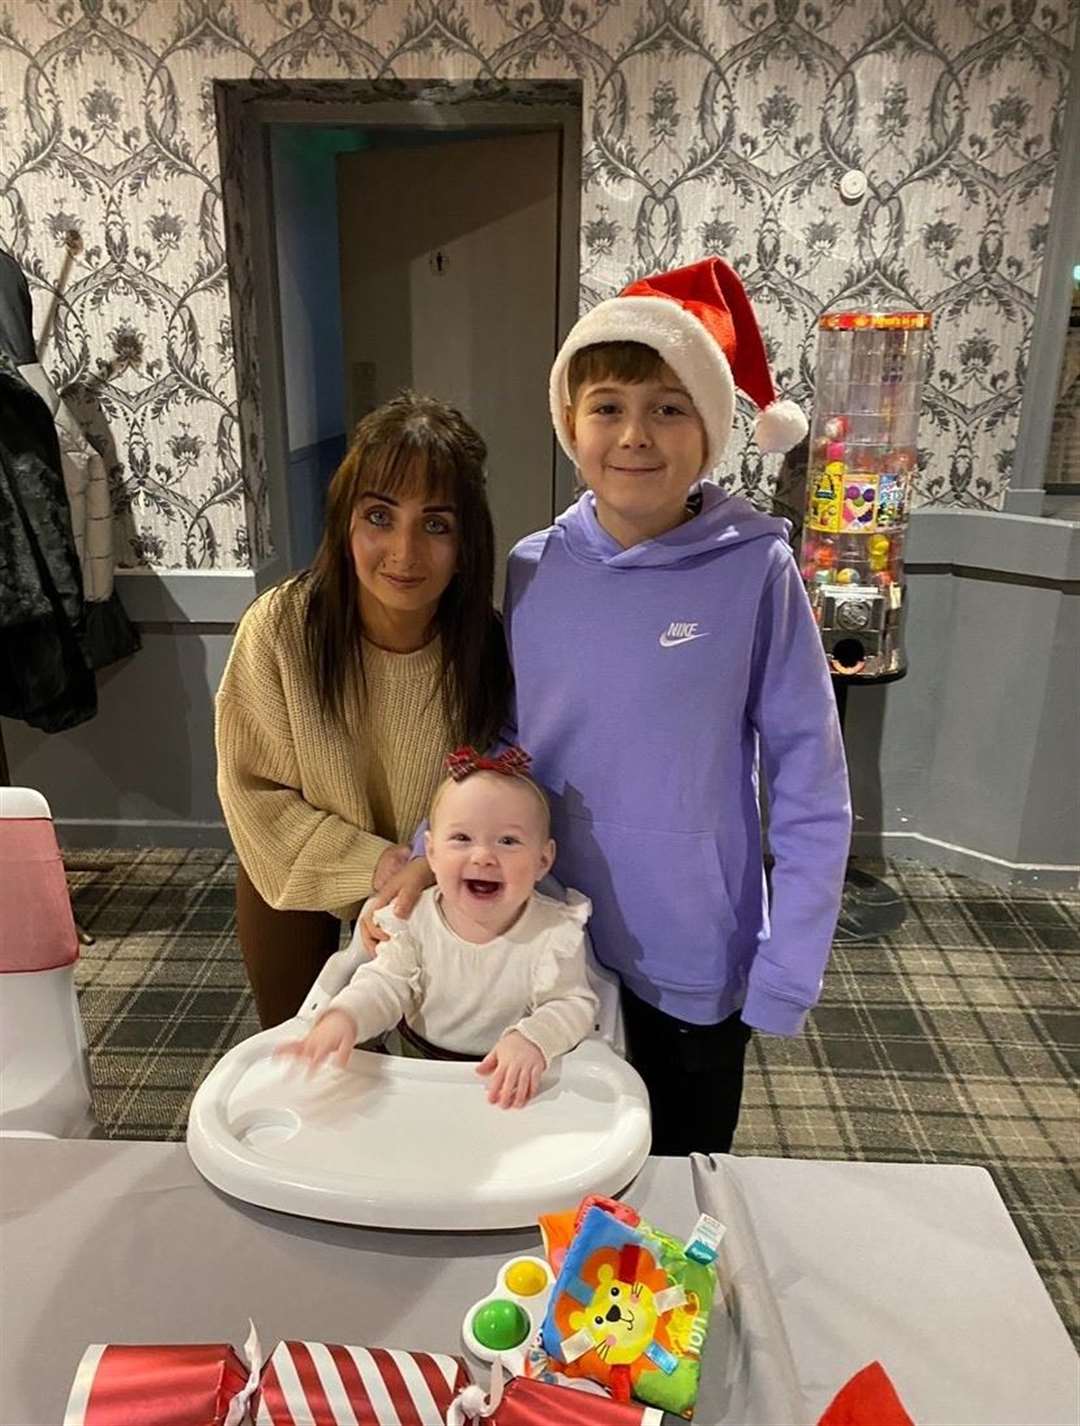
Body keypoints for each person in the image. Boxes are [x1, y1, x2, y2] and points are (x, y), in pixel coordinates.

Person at [368, 257, 851, 1155]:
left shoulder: (756, 570)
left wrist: (792, 957)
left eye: (669, 407)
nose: (636, 434)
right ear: (569, 423)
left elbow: (809, 778)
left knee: (677, 1168)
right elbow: (510, 742)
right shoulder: (534, 566)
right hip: (537, 928)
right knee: (546, 1154)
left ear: (709, 429)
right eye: (608, 407)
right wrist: (437, 853)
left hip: (691, 947)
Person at [215, 392, 511, 1028]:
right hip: (299, 870)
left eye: (436, 525)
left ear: (466, 544)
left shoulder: (490, 649)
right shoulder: (280, 629)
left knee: (433, 1067)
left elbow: (502, 792)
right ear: (345, 521)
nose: (404, 553)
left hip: (437, 880)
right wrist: (379, 863)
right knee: (303, 1055)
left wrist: (427, 867)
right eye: (380, 516)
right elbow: (255, 794)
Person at [278, 750, 598, 1109]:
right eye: (461, 838)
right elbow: (384, 985)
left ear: (543, 859)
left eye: (507, 841)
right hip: (415, 1076)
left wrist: (534, 1039)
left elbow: (573, 1004)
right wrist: (346, 1016)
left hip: (510, 1085)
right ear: (430, 853)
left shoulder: (554, 932)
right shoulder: (413, 920)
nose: (482, 856)